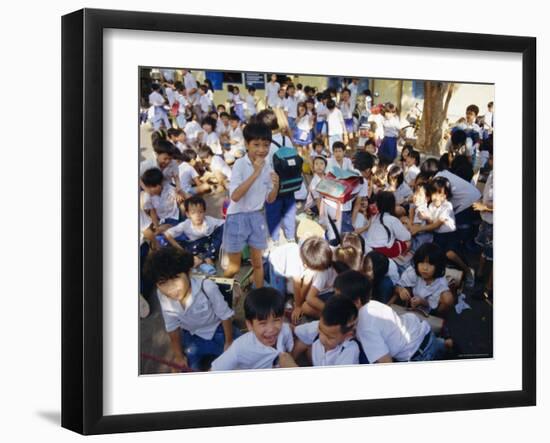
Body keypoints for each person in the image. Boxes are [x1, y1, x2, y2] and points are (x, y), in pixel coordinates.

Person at [144, 247, 238, 371]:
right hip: (192, 336)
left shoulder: (207, 287)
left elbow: (225, 315)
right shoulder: (162, 295)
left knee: (238, 361)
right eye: (162, 283)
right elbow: (172, 327)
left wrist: (229, 341)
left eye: (175, 278)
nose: (170, 288)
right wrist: (178, 356)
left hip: (218, 331)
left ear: (188, 272)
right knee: (186, 369)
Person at [335, 270, 446, 363]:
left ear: (357, 302)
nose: (335, 301)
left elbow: (386, 363)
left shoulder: (364, 327)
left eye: (338, 298)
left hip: (419, 355)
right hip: (424, 335)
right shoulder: (372, 304)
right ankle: (446, 344)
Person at [222, 122, 280, 289]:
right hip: (237, 218)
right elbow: (235, 196)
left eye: (266, 145)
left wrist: (276, 186)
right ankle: (220, 292)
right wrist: (255, 173)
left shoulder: (268, 165)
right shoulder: (240, 164)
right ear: (247, 144)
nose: (261, 149)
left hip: (256, 216)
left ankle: (259, 301)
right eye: (256, 145)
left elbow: (270, 199)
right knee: (234, 267)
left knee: (258, 264)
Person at [210, 287, 296, 370]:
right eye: (263, 323)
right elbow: (214, 370)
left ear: (283, 318)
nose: (271, 329)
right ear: (250, 325)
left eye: (276, 320)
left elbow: (289, 351)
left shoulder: (285, 329)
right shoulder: (239, 348)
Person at [163, 196, 225, 275]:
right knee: (169, 247)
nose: (197, 215)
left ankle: (207, 256)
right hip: (194, 246)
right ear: (188, 214)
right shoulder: (186, 224)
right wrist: (180, 249)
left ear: (204, 212)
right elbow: (167, 234)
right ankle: (199, 259)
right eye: (193, 213)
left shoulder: (209, 221)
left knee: (221, 233)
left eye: (200, 212)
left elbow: (224, 223)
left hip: (209, 244)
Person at [293, 296, 360, 366]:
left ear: (348, 335)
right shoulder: (319, 326)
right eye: (320, 329)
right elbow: (295, 330)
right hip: (315, 360)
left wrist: (291, 364)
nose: (322, 338)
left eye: (329, 337)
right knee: (301, 341)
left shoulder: (350, 350)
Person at [391, 243, 454, 316]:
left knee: (448, 298)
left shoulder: (440, 283)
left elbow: (433, 304)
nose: (425, 268)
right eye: (421, 263)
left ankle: (438, 318)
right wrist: (400, 290)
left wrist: (421, 302)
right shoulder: (413, 272)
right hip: (413, 301)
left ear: (438, 266)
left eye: (430, 264)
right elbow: (397, 286)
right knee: (404, 290)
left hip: (429, 310)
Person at [141, 168, 181, 249]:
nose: (151, 190)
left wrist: (178, 194)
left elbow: (178, 194)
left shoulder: (169, 188)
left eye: (154, 186)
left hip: (173, 217)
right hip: (161, 220)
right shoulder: (148, 196)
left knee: (172, 232)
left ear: (160, 184)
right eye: (149, 187)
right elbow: (153, 213)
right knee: (163, 235)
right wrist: (157, 227)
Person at [298, 236, 337, 319]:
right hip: (338, 289)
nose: (304, 265)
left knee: (305, 307)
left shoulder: (321, 273)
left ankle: (332, 317)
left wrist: (298, 304)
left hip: (329, 294)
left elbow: (310, 298)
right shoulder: (332, 250)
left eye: (306, 264)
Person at [364, 191, 411, 258]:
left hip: (368, 248)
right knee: (408, 243)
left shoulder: (374, 217)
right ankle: (397, 260)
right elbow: (406, 237)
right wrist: (407, 227)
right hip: (382, 251)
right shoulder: (392, 219)